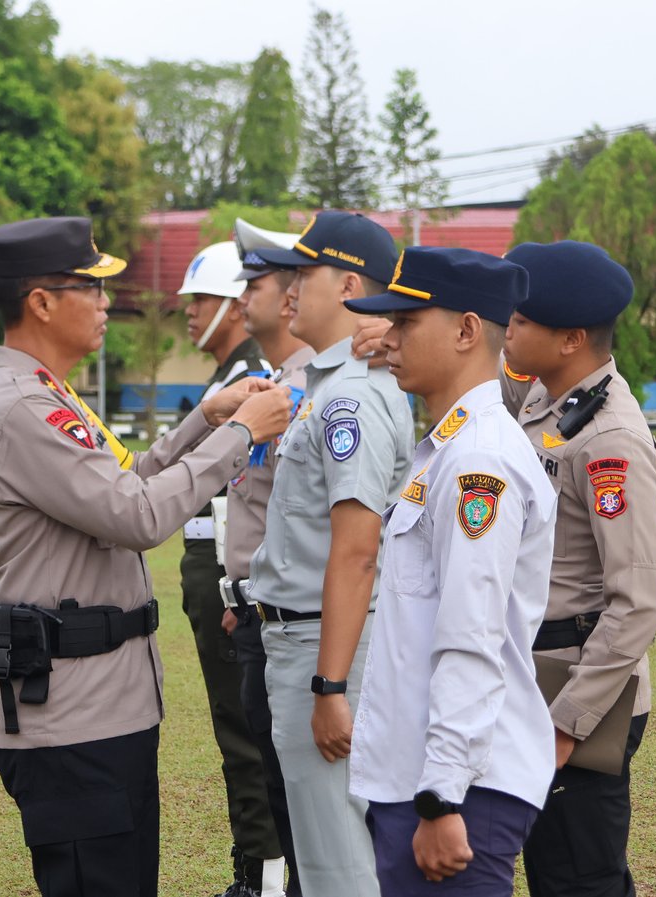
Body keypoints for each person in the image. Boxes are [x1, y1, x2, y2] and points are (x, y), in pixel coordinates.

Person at [0, 216, 293, 897]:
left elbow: (128, 477)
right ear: (42, 301)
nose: (108, 302)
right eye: (93, 287)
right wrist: (237, 433)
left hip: (102, 710)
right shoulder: (26, 407)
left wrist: (205, 417)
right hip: (69, 720)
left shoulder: (50, 394)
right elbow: (139, 515)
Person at [343, 247, 556, 895]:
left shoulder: (477, 462)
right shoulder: (447, 448)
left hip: (460, 786)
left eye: (408, 321)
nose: (390, 336)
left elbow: (471, 634)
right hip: (425, 777)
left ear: (467, 331)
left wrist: (440, 796)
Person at [246, 210, 412, 897]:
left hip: (324, 643)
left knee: (337, 865)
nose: (287, 288)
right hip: (308, 638)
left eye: (302, 273)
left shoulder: (352, 398)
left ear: (349, 285)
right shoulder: (328, 387)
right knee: (329, 855)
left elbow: (356, 551)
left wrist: (329, 685)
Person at [500, 241, 656, 897]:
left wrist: (568, 723)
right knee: (553, 870)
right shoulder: (550, 398)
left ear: (570, 337)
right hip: (536, 676)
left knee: (580, 880)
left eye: (521, 318)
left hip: (576, 689)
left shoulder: (609, 439)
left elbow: (639, 601)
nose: (506, 327)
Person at [175, 240, 286, 897]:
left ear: (238, 308)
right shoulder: (227, 381)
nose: (190, 313)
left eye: (204, 300)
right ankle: (254, 865)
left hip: (230, 573)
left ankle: (263, 876)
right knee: (232, 726)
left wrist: (236, 586)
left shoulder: (255, 379)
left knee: (245, 733)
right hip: (208, 567)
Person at [218, 218, 316, 897]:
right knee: (279, 794)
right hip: (256, 615)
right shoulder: (272, 382)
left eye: (253, 281)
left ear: (289, 300)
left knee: (309, 814)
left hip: (295, 625)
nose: (239, 294)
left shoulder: (311, 389)